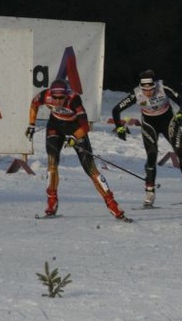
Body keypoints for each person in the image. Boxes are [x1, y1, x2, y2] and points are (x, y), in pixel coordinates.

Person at [25, 79, 131, 222]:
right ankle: (52, 202)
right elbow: (33, 104)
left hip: (76, 129)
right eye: (54, 98)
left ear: (66, 95)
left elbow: (85, 126)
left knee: (91, 169)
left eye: (61, 98)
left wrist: (75, 137)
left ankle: (113, 205)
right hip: (55, 126)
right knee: (52, 165)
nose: (57, 101)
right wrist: (31, 125)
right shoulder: (45, 95)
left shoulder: (73, 100)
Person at [111, 69, 182, 208]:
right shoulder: (136, 94)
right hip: (149, 124)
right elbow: (116, 110)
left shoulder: (163, 88)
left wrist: (180, 115)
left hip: (168, 121)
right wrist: (120, 127)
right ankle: (150, 192)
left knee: (180, 151)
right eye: (144, 90)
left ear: (155, 85)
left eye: (151, 89)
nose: (148, 93)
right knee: (152, 154)